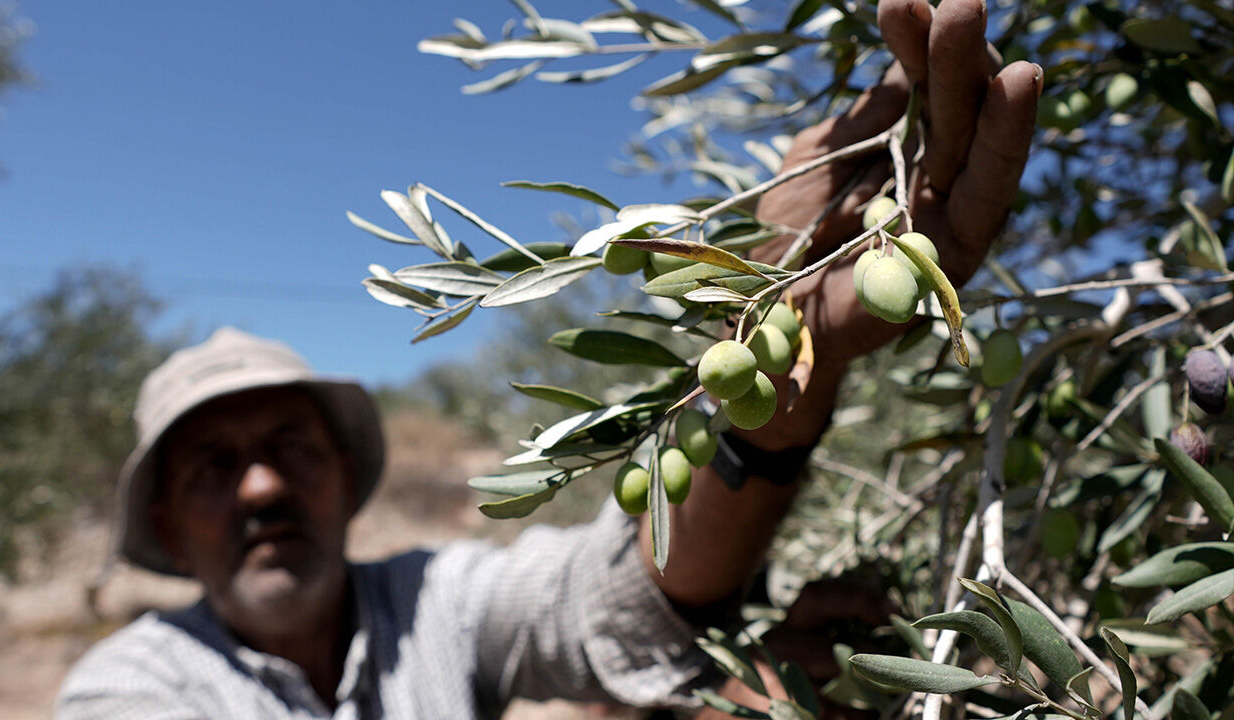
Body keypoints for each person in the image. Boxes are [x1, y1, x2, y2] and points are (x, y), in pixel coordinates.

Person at [54, 0, 1039, 717]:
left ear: (346, 477)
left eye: (287, 447)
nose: (262, 485)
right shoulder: (130, 689)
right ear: (168, 531)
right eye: (213, 468)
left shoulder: (430, 605)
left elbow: (631, 610)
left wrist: (791, 361)